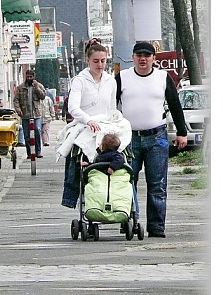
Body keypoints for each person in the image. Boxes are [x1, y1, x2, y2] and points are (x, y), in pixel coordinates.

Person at [117, 40, 188, 238]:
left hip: (156, 137)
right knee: (127, 180)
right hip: (129, 138)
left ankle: (156, 226)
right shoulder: (122, 78)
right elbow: (111, 105)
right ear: (133, 58)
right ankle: (128, 219)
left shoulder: (162, 78)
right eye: (139, 55)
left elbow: (175, 105)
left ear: (153, 58)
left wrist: (182, 132)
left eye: (147, 55)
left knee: (157, 184)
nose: (143, 59)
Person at [61, 40, 118, 209]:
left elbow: (112, 107)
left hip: (105, 127)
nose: (100, 65)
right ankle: (73, 197)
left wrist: (113, 122)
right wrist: (88, 120)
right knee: (78, 158)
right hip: (85, 125)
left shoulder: (110, 81)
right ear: (88, 60)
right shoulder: (80, 80)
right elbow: (73, 107)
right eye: (96, 61)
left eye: (103, 61)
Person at [13, 69, 46, 157]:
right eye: (28, 77)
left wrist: (37, 88)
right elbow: (16, 100)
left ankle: (38, 151)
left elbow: (42, 96)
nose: (29, 78)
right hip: (25, 114)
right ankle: (29, 153)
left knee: (37, 131)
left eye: (31, 77)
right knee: (27, 135)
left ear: (33, 77)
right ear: (25, 77)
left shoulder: (39, 86)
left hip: (36, 114)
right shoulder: (20, 87)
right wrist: (18, 109)